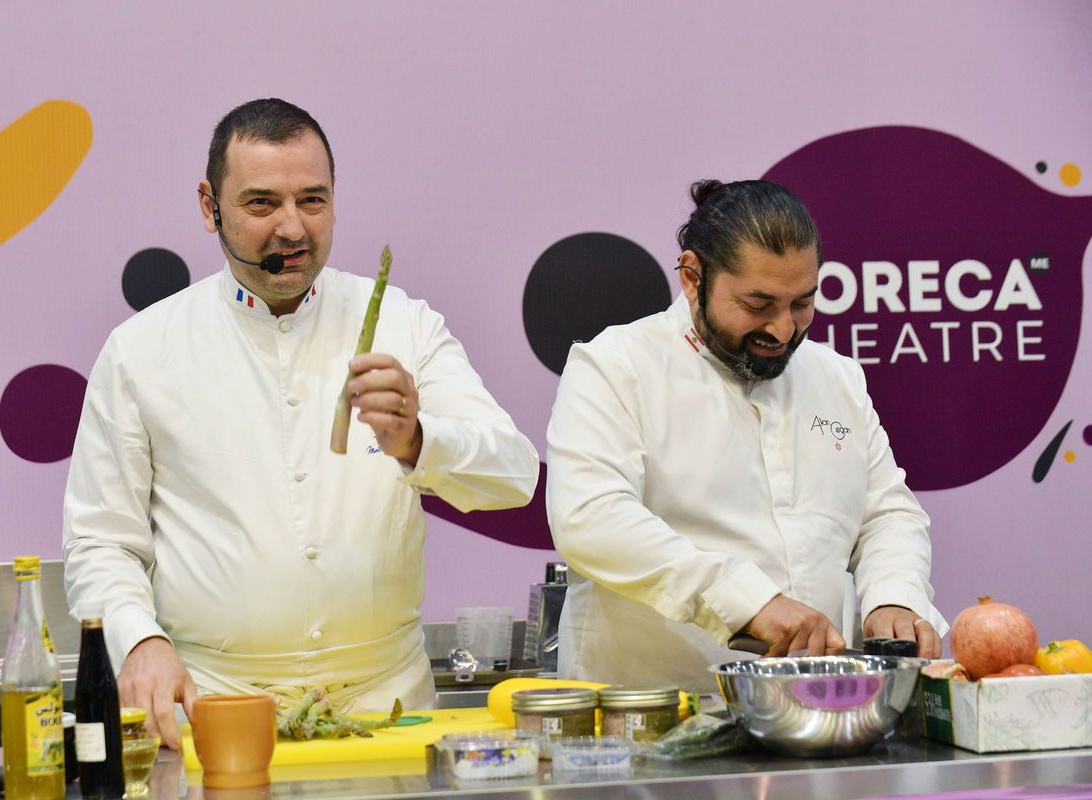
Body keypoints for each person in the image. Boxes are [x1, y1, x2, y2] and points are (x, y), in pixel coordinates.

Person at [63, 99, 539, 749]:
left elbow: (512, 475)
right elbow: (100, 540)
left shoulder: (405, 324)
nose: (292, 228)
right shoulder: (141, 350)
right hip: (213, 706)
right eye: (261, 203)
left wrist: (419, 439)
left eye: (312, 201)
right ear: (209, 206)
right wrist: (139, 641)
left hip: (387, 707)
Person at [545, 179, 946, 690]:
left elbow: (886, 513)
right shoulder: (616, 366)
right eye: (758, 305)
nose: (783, 330)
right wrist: (747, 601)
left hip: (815, 707)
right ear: (692, 277)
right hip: (650, 707)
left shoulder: (836, 376)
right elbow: (590, 519)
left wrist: (894, 596)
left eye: (802, 303)